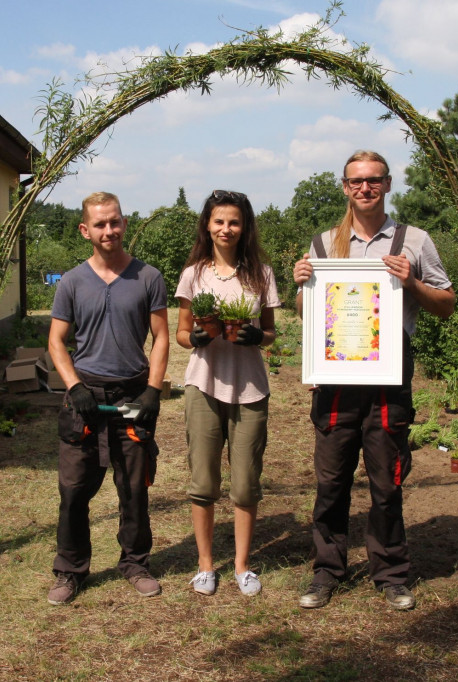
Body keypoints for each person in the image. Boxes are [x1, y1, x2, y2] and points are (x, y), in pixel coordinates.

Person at [292, 150, 455, 610]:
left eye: (374, 180)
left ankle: (391, 574)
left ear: (387, 184)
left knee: (387, 481)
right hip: (337, 380)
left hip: (388, 379)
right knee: (331, 481)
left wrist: (414, 284)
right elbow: (310, 315)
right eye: (356, 181)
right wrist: (303, 284)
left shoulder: (413, 241)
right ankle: (327, 572)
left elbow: (446, 303)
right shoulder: (324, 244)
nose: (365, 188)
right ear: (344, 187)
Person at [46, 191, 170, 605]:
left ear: (125, 223)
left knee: (134, 488)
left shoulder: (148, 277)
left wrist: (153, 390)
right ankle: (70, 570)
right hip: (85, 400)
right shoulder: (71, 282)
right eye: (99, 224)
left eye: (114, 222)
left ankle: (135, 563)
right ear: (85, 230)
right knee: (74, 491)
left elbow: (162, 338)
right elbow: (57, 342)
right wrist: (74, 386)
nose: (109, 230)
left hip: (131, 397)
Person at [174, 190, 280, 597]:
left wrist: (259, 335)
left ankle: (241, 566)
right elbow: (184, 331)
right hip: (203, 385)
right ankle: (205, 565)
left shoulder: (261, 274)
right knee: (203, 480)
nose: (226, 229)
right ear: (207, 225)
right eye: (219, 221)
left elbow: (270, 331)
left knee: (246, 483)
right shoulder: (193, 274)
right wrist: (194, 338)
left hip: (250, 388)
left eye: (234, 222)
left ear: (244, 227)